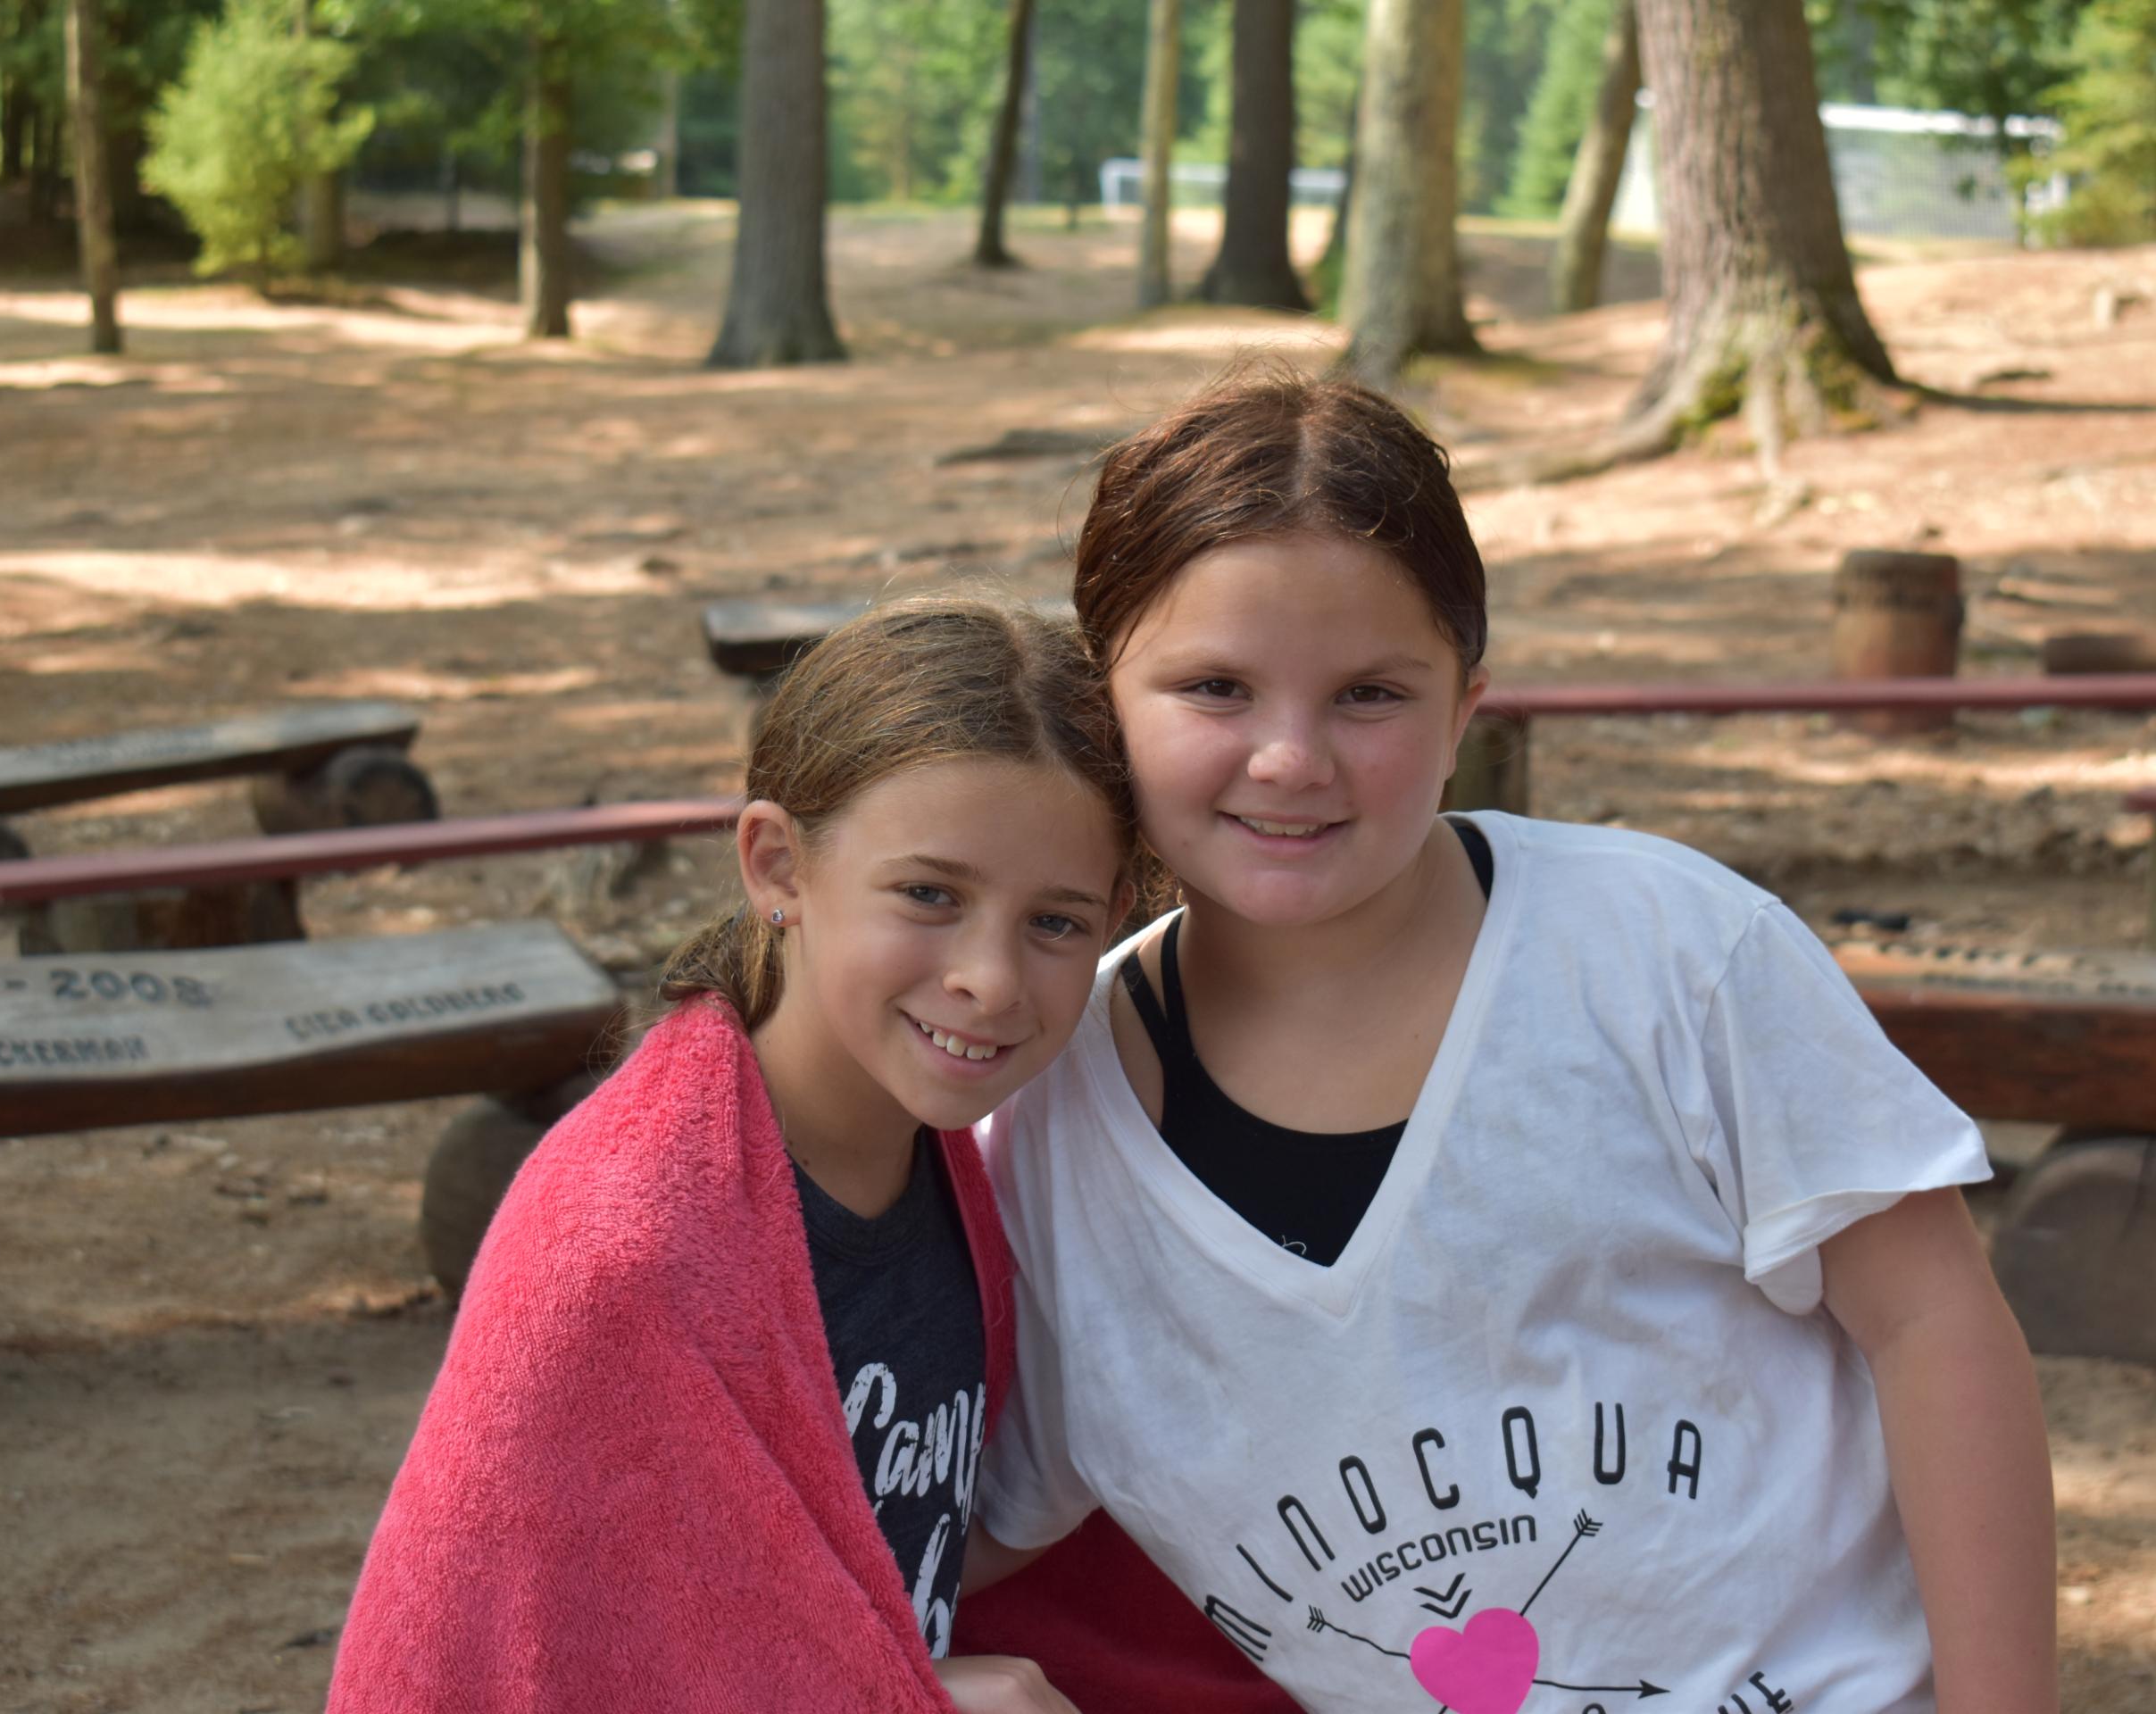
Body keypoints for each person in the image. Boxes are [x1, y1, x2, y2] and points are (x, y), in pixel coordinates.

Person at [953, 371, 2059, 1714]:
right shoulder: (1047, 1109)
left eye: (1370, 694)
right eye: (1216, 688)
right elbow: (966, 1508)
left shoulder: (1670, 954)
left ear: (1465, 709)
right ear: (1102, 704)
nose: (1291, 758)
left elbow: (1934, 1324)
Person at [328, 598, 1134, 1714]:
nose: (989, 980)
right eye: (929, 895)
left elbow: (897, 1558)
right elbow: (521, 1670)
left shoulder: (973, 1171)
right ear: (778, 866)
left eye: (1056, 923)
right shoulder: (626, 1254)